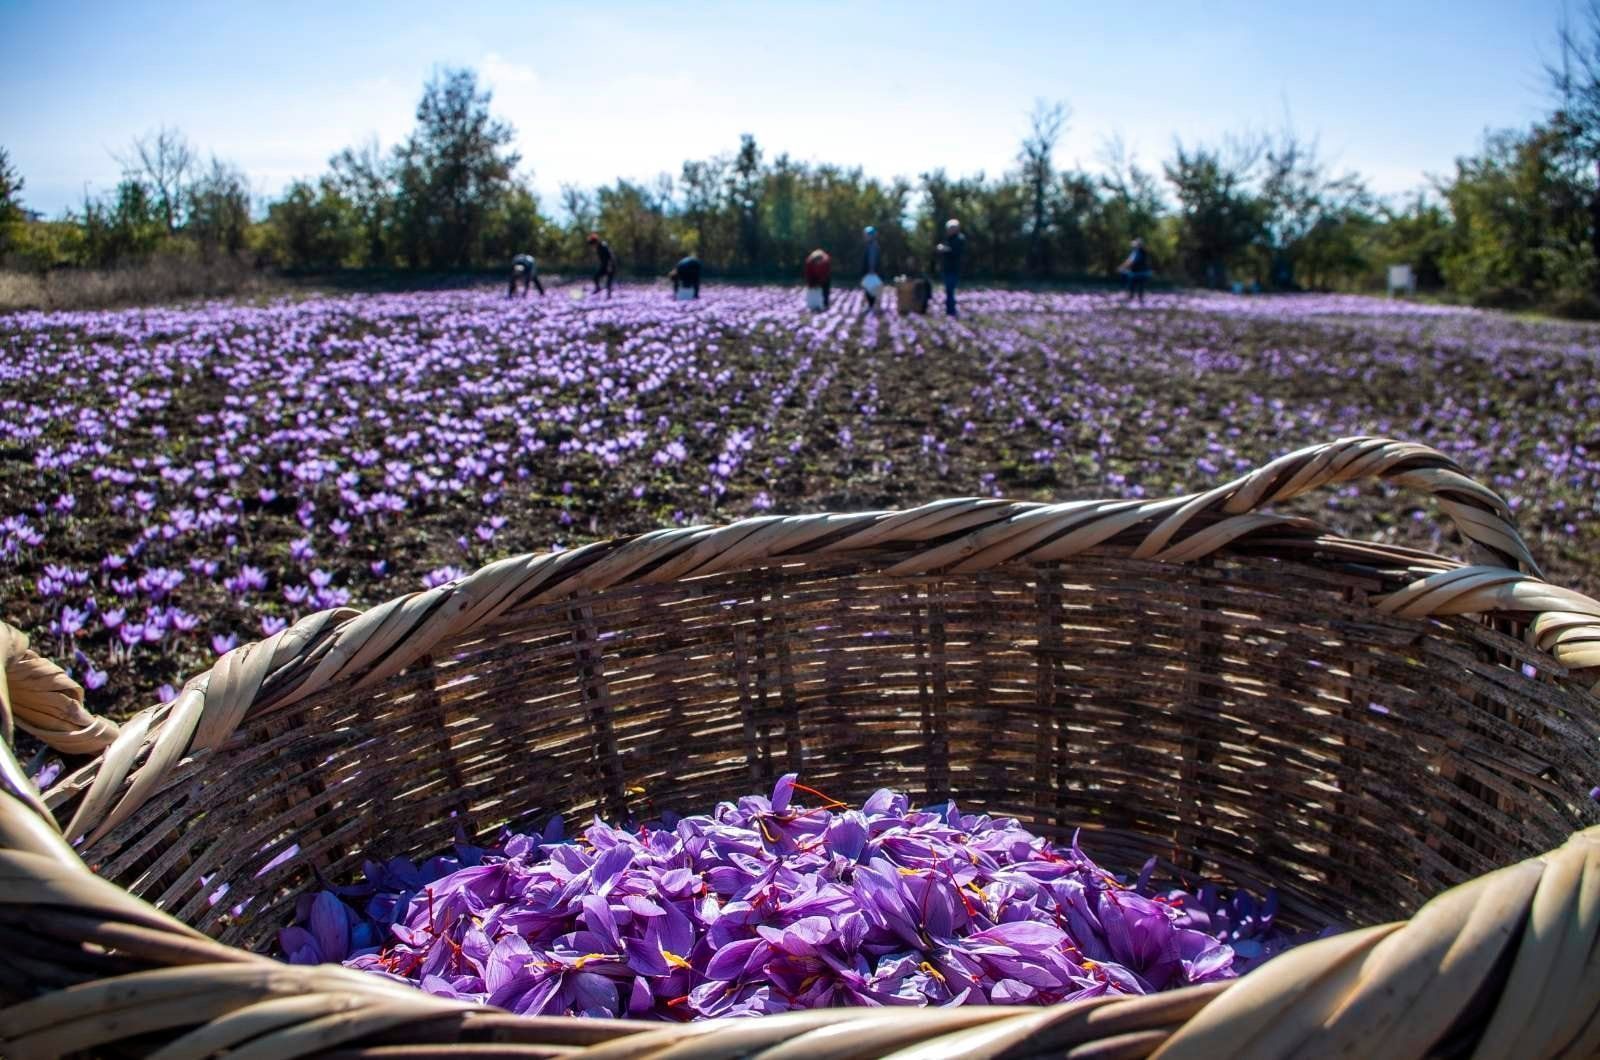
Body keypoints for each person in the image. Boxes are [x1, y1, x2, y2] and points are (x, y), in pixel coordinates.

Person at [935, 218, 966, 317]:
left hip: (954, 269)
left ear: (955, 228)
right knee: (948, 291)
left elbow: (955, 252)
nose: (948, 230)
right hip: (947, 268)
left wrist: (944, 249)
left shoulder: (959, 239)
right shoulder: (949, 239)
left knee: (950, 290)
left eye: (950, 228)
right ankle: (949, 310)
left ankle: (951, 312)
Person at [1119, 238, 1153, 304]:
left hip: (1137, 274)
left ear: (1138, 245)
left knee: (1133, 289)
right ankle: (1138, 300)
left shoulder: (1138, 252)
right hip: (1142, 274)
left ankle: (1131, 300)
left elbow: (1130, 261)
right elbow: (1129, 261)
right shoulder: (1142, 252)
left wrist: (1122, 267)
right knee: (1140, 291)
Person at [587, 233, 617, 297]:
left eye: (592, 244)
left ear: (595, 242)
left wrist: (610, 265)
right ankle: (598, 288)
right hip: (604, 265)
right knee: (595, 277)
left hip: (610, 265)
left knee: (609, 281)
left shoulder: (603, 245)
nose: (592, 247)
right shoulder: (598, 247)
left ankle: (609, 295)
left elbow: (610, 255)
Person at [861, 226, 883, 312]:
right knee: (871, 289)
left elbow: (872, 258)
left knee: (871, 289)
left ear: (871, 236)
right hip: (872, 271)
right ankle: (873, 307)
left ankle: (872, 307)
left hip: (871, 272)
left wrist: (871, 270)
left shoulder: (872, 246)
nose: (865, 236)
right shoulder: (872, 245)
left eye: (866, 235)